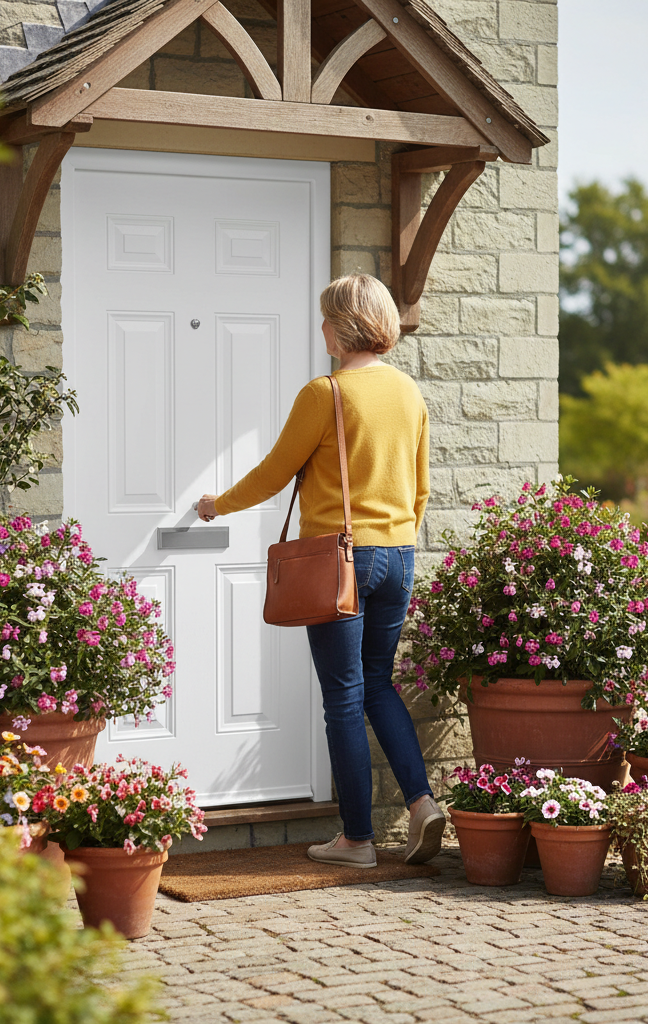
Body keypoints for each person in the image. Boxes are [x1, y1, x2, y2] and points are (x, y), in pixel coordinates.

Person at [197, 273, 445, 867]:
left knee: (343, 695)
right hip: (399, 555)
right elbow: (422, 488)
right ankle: (421, 804)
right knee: (378, 683)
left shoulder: (326, 392)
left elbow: (274, 472)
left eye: (326, 319)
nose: (322, 330)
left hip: (340, 558)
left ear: (345, 327)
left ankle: (357, 840)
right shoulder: (409, 392)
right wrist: (398, 538)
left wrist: (216, 504)